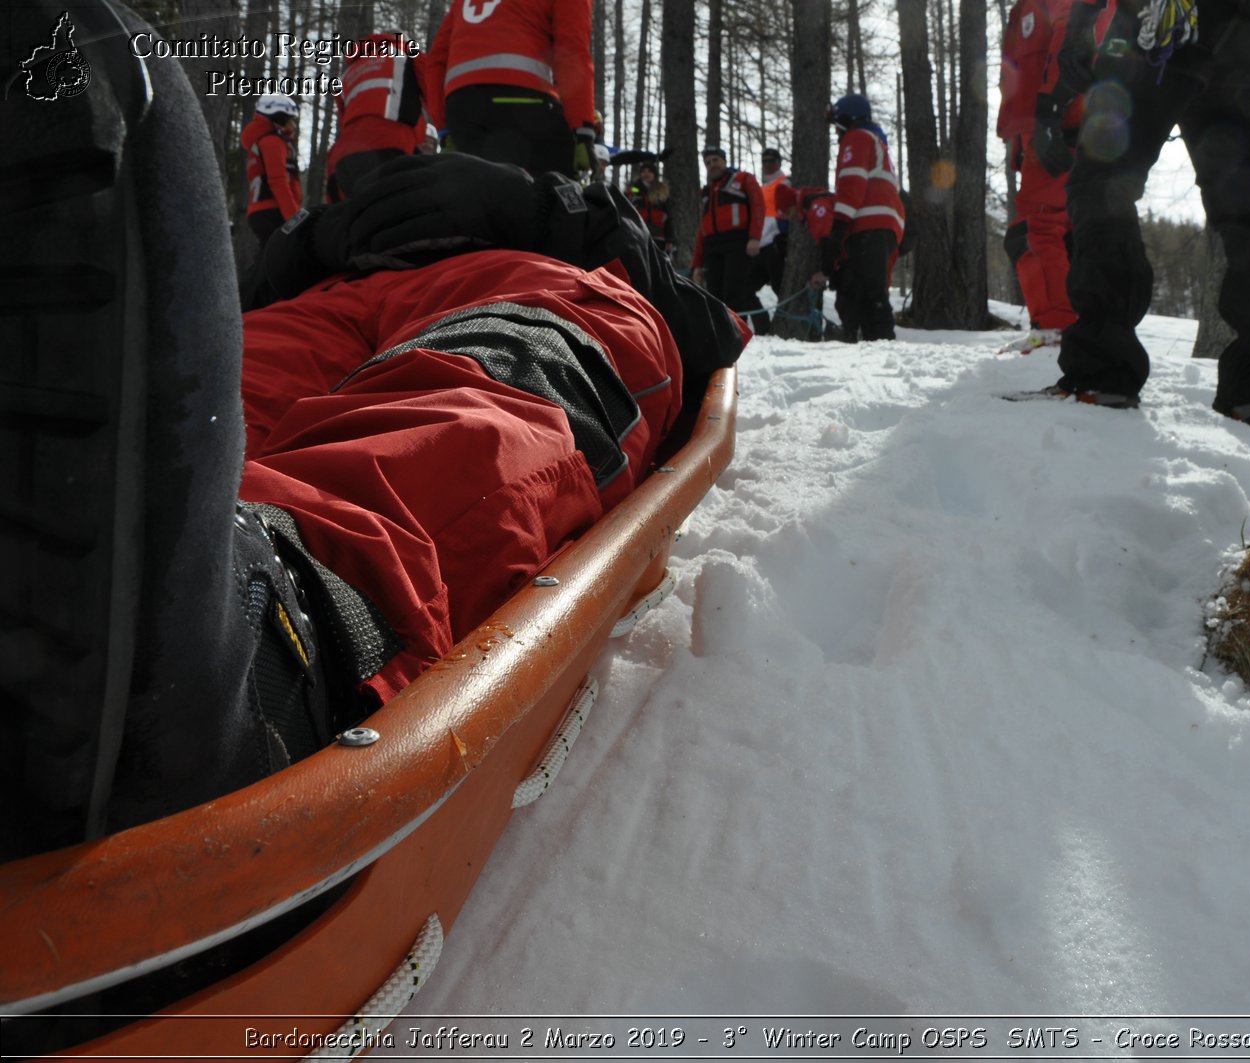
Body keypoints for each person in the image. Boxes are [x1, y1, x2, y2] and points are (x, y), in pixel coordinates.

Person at [2, 0, 747, 861]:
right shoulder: (382, 182)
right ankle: (132, 573)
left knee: (457, 405)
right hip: (326, 298)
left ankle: (258, 644)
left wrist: (562, 215)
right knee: (195, 420)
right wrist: (315, 238)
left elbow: (713, 332)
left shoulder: (566, 197)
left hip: (527, 282)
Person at [1033, 0, 1250, 422]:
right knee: (1246, 201)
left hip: (1163, 21)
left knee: (1101, 180)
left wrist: (1081, 26)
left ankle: (1102, 373)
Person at [416, 0, 598, 177]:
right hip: (524, 100)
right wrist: (583, 130)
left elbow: (436, 60)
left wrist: (444, 128)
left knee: (478, 191)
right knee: (558, 186)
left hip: (463, 107)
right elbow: (572, 51)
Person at [997, 0, 1080, 354]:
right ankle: (1070, 330)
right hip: (1042, 130)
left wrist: (1053, 113)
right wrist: (1018, 139)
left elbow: (1076, 34)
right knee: (1065, 232)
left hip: (1061, 125)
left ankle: (1057, 332)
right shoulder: (1023, 10)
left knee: (1035, 229)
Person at [809, 93, 905, 343]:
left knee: (871, 292)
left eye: (837, 122)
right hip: (880, 224)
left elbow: (852, 184)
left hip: (869, 224)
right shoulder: (873, 140)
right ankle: (869, 344)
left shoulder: (857, 138)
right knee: (863, 289)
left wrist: (838, 227)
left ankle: (883, 347)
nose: (836, 131)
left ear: (847, 117)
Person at [324, 32, 428, 202]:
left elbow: (346, 122)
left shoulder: (347, 75)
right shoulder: (408, 58)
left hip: (343, 160)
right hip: (391, 149)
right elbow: (437, 94)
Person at [692, 146, 769, 335]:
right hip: (712, 246)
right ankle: (722, 334)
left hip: (737, 242)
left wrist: (754, 238)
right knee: (715, 294)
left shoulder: (743, 179)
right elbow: (701, 229)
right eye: (708, 163)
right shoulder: (706, 192)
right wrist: (697, 264)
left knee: (734, 291)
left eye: (715, 160)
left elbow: (759, 207)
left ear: (724, 161)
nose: (712, 165)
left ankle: (738, 333)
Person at [242, 93, 302, 247]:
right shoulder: (272, 142)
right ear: (279, 118)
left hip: (261, 211)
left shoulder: (260, 143)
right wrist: (295, 218)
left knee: (267, 259)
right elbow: (278, 181)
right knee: (286, 259)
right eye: (290, 120)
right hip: (274, 211)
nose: (293, 126)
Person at [757, 146, 792, 299]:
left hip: (775, 244)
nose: (767, 164)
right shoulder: (762, 187)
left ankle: (788, 320)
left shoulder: (785, 182)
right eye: (764, 161)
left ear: (779, 163)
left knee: (780, 288)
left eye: (771, 161)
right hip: (761, 244)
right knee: (745, 288)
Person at [627, 159, 674, 258]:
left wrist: (669, 239)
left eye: (649, 171)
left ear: (654, 174)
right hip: (638, 234)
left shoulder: (661, 191)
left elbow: (669, 217)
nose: (646, 174)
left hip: (658, 236)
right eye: (643, 171)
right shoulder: (635, 189)